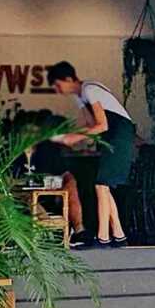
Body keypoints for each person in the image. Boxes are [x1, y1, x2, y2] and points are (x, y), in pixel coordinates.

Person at [47, 61, 135, 248]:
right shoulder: (80, 97)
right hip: (110, 137)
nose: (57, 89)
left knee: (101, 185)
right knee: (104, 185)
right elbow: (90, 125)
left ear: (68, 79)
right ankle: (119, 235)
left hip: (119, 134)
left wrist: (73, 138)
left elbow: (102, 125)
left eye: (57, 84)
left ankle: (103, 238)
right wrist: (70, 136)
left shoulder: (89, 90)